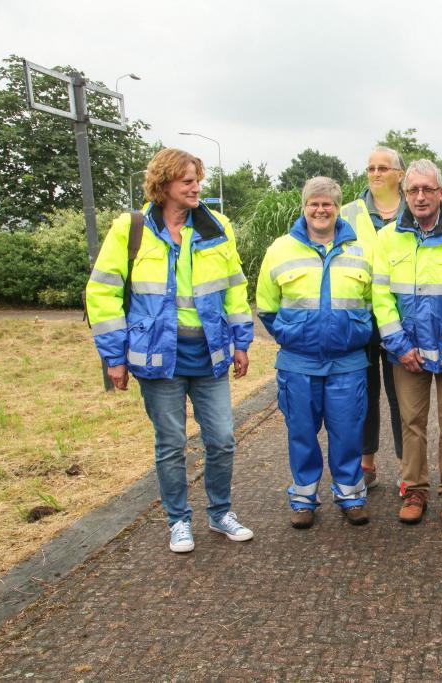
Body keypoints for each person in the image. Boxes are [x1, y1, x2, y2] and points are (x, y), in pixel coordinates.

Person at [86, 148, 254, 554]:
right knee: (171, 443)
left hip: (210, 354)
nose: (196, 188)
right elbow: (103, 292)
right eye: (187, 181)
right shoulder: (131, 229)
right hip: (158, 357)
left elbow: (234, 287)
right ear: (163, 185)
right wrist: (114, 357)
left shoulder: (217, 227)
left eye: (198, 180)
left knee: (222, 439)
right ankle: (179, 520)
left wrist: (242, 341)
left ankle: (220, 513)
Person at [257, 176, 374, 528]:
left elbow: (374, 302)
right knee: (302, 434)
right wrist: (290, 334)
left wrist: (355, 331)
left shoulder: (360, 250)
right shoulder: (281, 249)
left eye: (327, 204)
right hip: (298, 363)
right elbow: (267, 306)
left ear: (338, 208)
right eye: (314, 203)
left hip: (347, 362)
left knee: (348, 433)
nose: (320, 210)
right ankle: (304, 499)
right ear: (304, 207)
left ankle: (351, 496)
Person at [372, 159, 442, 525]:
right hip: (408, 352)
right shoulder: (388, 238)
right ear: (405, 193)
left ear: (441, 193)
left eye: (427, 189)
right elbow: (380, 295)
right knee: (411, 422)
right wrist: (398, 345)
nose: (420, 196)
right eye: (413, 190)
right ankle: (414, 490)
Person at [340, 147, 406, 489]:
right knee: (363, 394)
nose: (375, 173)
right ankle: (367, 464)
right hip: (361, 316)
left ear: (400, 174)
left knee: (403, 397)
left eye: (383, 168)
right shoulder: (348, 213)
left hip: (402, 317)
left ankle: (407, 468)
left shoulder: (415, 208)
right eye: (370, 168)